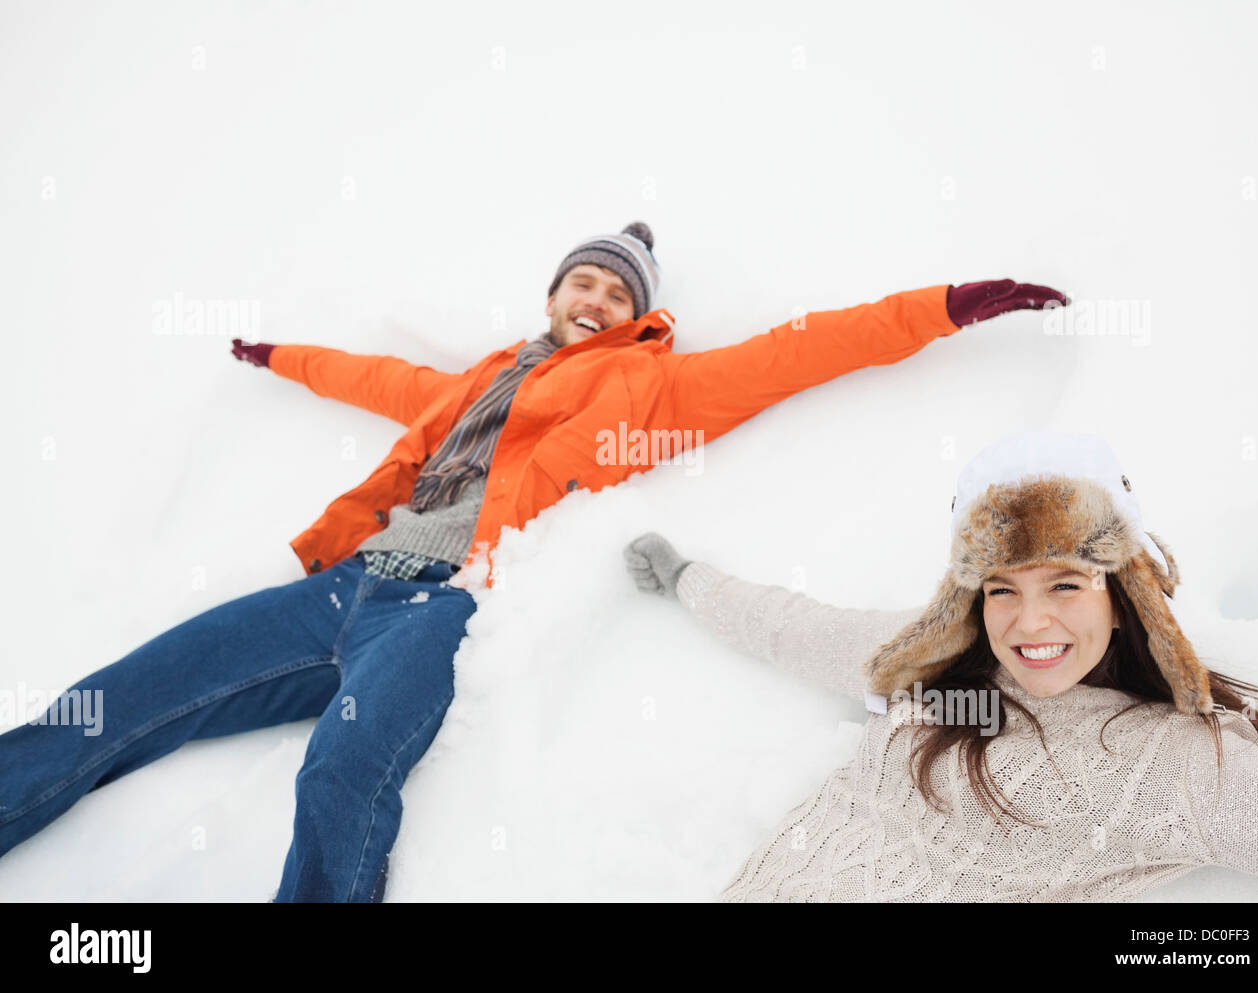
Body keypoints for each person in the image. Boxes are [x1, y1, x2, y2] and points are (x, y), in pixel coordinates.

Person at [0, 219, 1065, 901]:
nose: (593, 300)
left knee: (341, 770)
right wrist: (275, 356)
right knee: (126, 692)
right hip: (348, 581)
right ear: (553, 293)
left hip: (439, 609)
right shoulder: (475, 380)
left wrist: (945, 308)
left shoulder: (652, 389)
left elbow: (799, 349)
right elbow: (368, 377)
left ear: (635, 312)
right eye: (582, 283)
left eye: (614, 292)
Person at [624, 430, 1258, 901]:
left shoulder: (1172, 763)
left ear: (1124, 597)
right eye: (1002, 588)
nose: (1030, 621)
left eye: (1065, 584)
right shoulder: (932, 657)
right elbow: (797, 628)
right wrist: (690, 578)